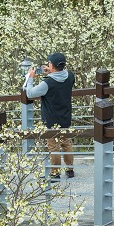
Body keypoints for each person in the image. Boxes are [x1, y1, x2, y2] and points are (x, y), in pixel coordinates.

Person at [25, 51, 75, 182]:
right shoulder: (70, 76)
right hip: (65, 116)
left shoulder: (48, 83)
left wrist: (30, 78)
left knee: (53, 146)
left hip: (51, 119)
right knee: (66, 143)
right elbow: (62, 75)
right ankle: (70, 170)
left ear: (52, 65)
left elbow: (30, 93)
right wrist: (51, 72)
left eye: (49, 64)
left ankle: (55, 173)